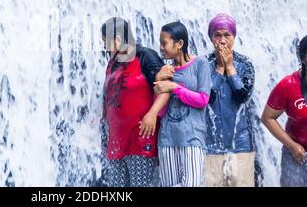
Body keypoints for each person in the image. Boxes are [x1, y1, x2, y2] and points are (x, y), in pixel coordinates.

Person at [101, 17, 168, 187]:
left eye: (105, 42)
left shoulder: (145, 56)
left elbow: (165, 87)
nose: (103, 47)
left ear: (117, 40)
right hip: (115, 141)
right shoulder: (112, 63)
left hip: (140, 139)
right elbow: (108, 96)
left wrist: (152, 114)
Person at [151, 21, 212, 187]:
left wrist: (174, 87)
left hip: (192, 137)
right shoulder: (165, 70)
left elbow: (203, 100)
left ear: (180, 44)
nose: (161, 47)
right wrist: (158, 80)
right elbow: (161, 112)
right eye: (160, 43)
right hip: (167, 138)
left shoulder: (201, 64)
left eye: (164, 43)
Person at [204, 13, 256, 187]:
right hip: (210, 145)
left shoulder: (246, 64)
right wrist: (219, 68)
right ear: (211, 38)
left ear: (234, 37)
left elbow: (243, 96)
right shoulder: (203, 64)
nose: (222, 40)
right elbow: (206, 99)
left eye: (227, 35)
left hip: (241, 144)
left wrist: (230, 67)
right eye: (217, 35)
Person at [261, 35, 307, 187]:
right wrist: (292, 146)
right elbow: (268, 118)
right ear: (304, 58)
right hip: (297, 156)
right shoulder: (288, 85)